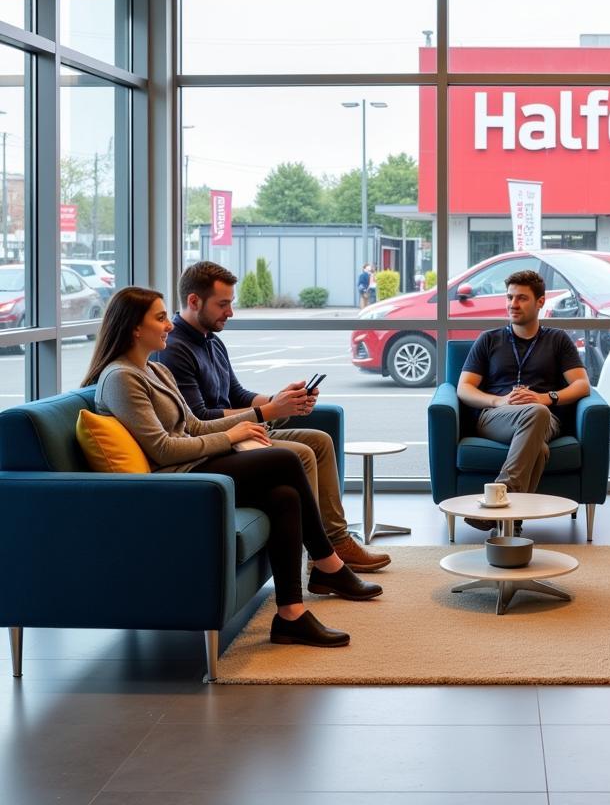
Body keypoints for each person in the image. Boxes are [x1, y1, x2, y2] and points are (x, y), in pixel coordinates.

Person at [84, 287, 384, 649]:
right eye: (160, 318)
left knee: (284, 495)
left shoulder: (155, 370)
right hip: (180, 483)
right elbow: (162, 450)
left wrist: (246, 422)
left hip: (198, 466)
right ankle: (327, 562)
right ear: (134, 327)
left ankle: (291, 615)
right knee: (287, 459)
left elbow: (193, 426)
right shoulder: (121, 378)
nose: (168, 325)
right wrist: (231, 437)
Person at [154, 261, 389, 572]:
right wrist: (269, 411)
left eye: (231, 303)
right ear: (194, 301)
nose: (231, 312)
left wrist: (282, 400)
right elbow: (198, 419)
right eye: (223, 304)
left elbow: (236, 394)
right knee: (303, 453)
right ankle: (322, 556)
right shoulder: (173, 350)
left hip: (241, 436)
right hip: (215, 444)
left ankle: (337, 540)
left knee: (320, 441)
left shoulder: (211, 341)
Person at [456, 269, 590, 532]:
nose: (512, 305)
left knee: (537, 413)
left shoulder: (558, 340)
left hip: (544, 418)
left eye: (521, 298)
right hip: (495, 418)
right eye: (509, 297)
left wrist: (544, 398)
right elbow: (464, 388)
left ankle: (498, 503)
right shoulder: (489, 339)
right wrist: (499, 401)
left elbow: (582, 385)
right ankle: (511, 521)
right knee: (537, 449)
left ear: (540, 302)